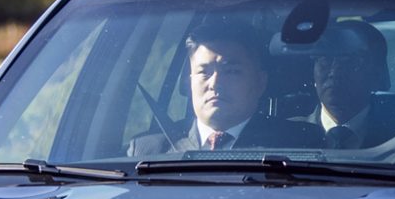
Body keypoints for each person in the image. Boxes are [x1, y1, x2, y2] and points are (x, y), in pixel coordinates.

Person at [127, 23, 323, 156]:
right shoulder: (148, 152)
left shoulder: (300, 145)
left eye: (231, 71)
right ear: (190, 81)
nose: (215, 83)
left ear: (260, 82)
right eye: (204, 72)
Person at [304, 20, 395, 148]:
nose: (334, 72)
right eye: (324, 59)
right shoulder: (286, 136)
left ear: (378, 74)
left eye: (350, 62)